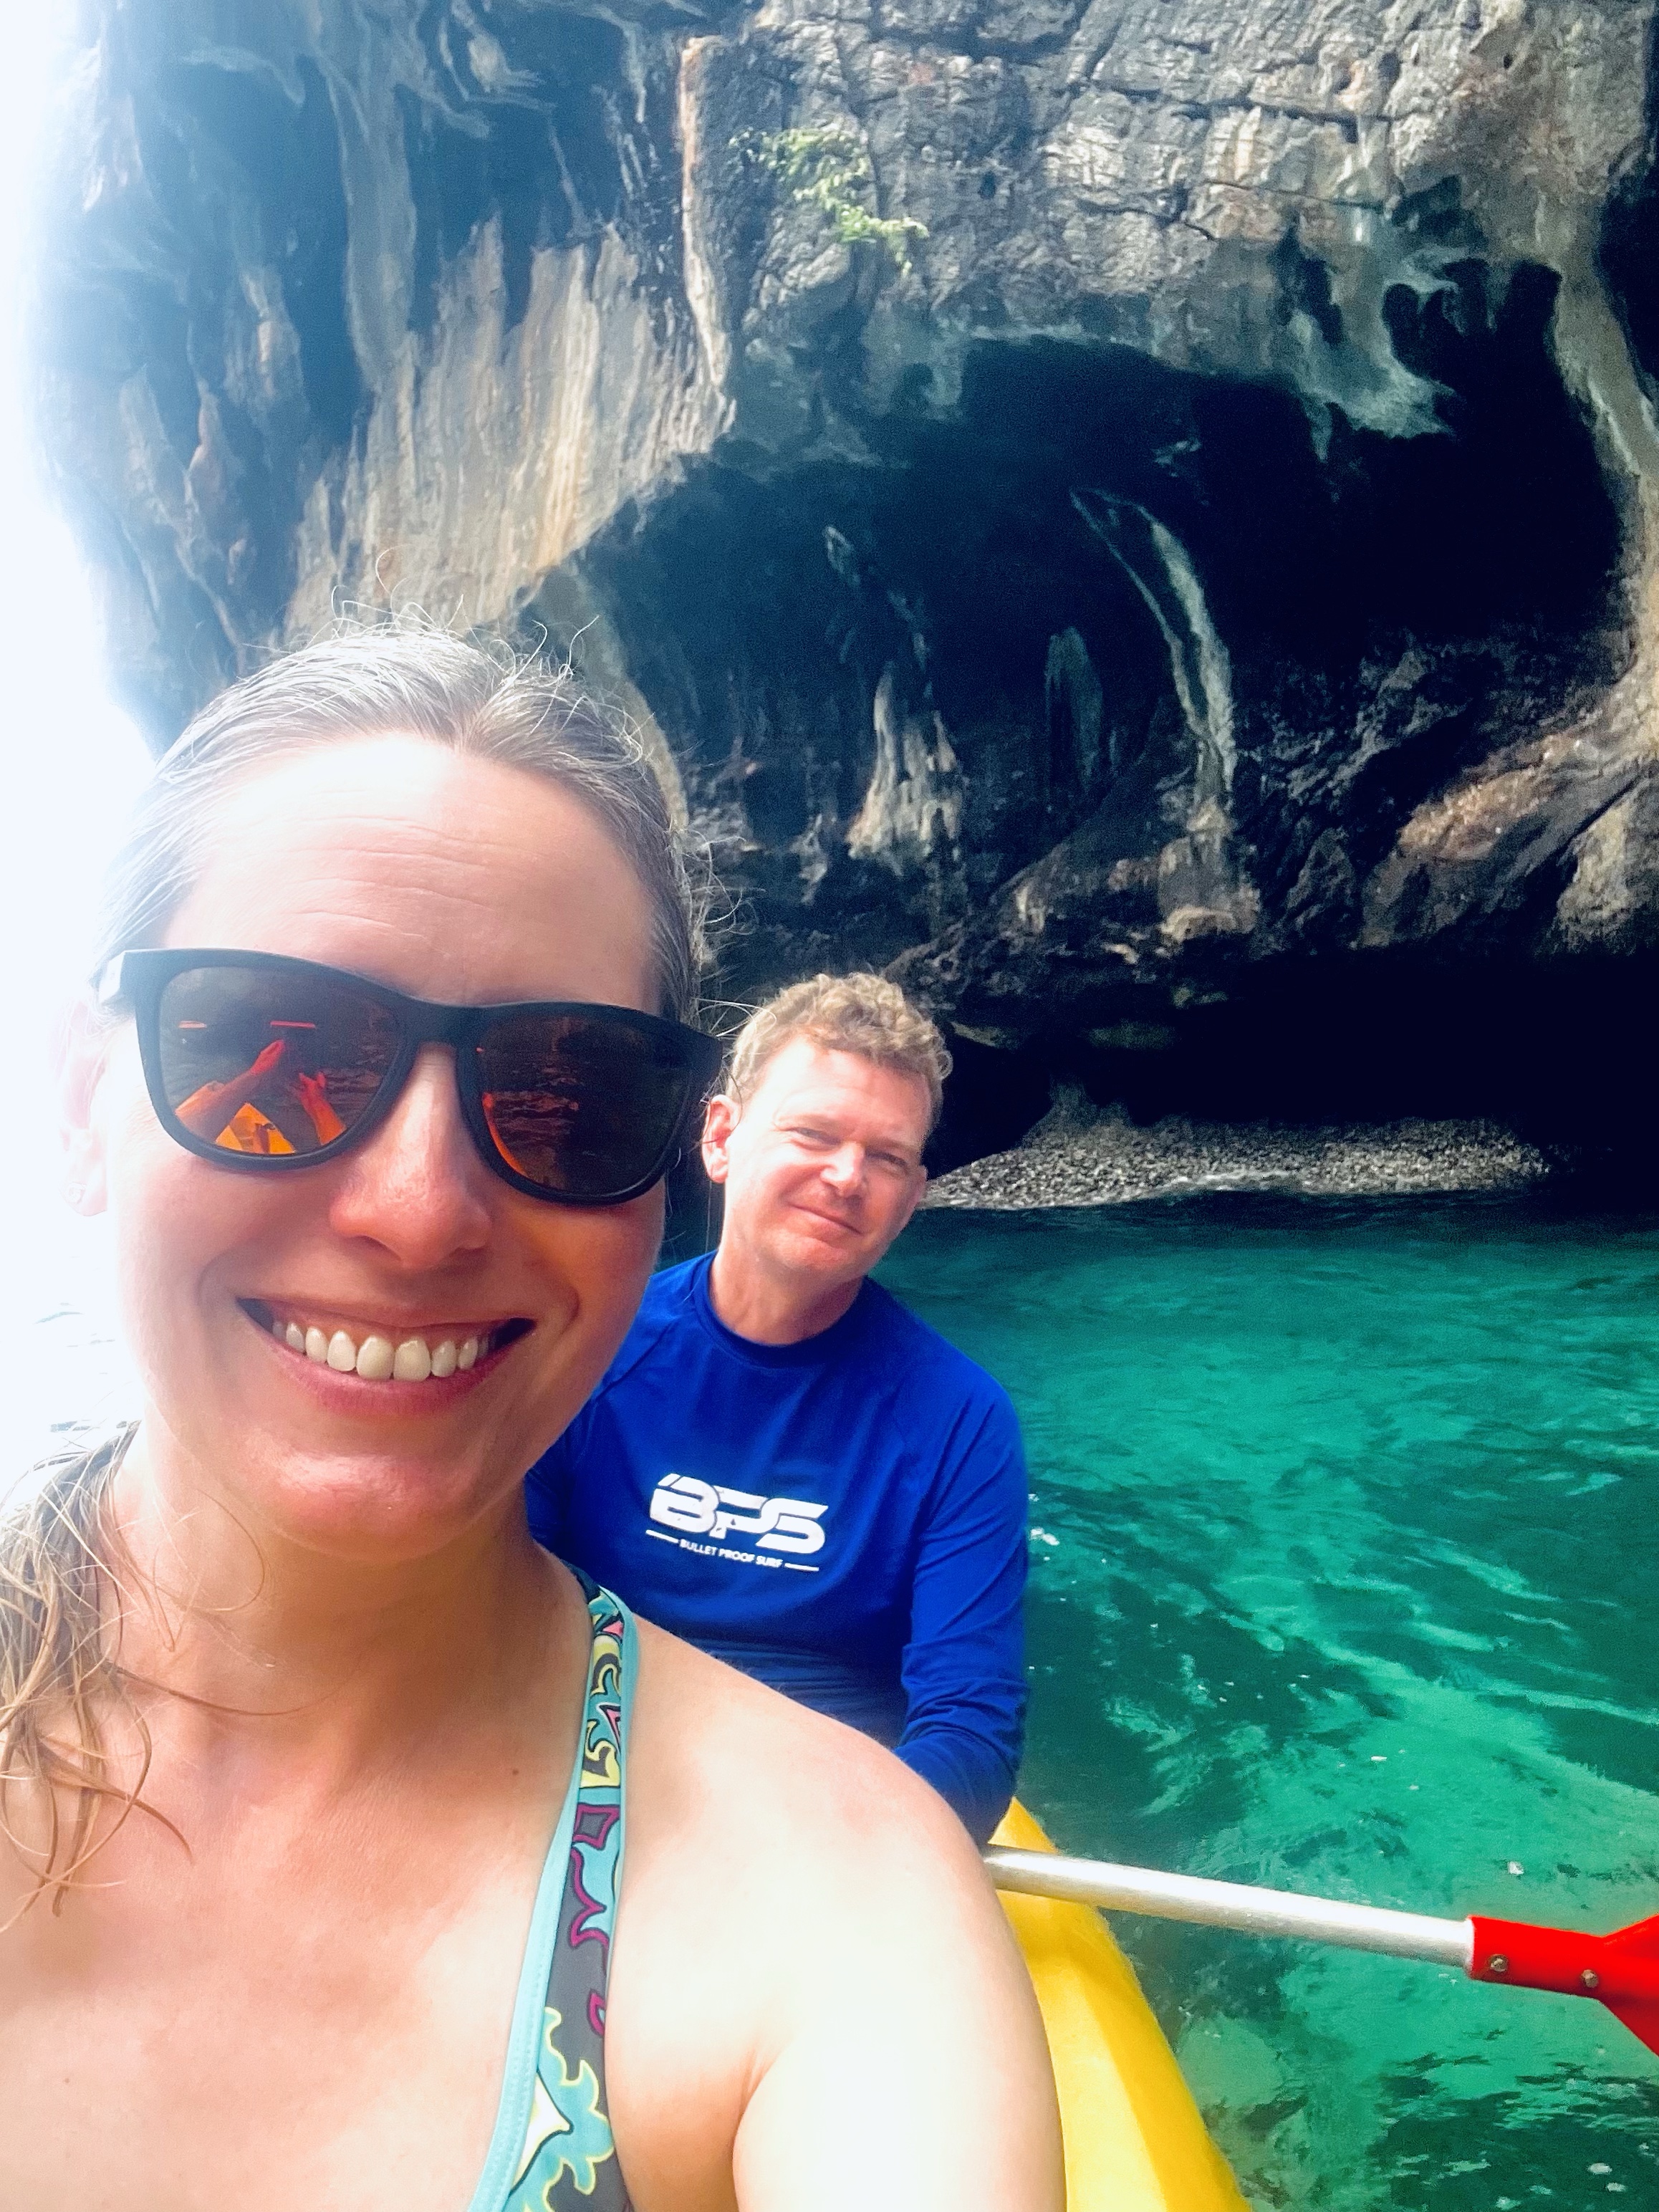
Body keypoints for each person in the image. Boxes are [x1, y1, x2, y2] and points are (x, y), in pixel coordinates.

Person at [0, 627, 1062, 2211]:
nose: (421, 1211)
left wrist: (861, 1832)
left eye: (569, 1095)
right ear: (84, 1099)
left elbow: (959, 1725)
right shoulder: (600, 1352)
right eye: (280, 1054)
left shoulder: (853, 1896)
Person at [527, 973, 1029, 1845]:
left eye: (887, 1157)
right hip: (587, 1764)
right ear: (721, 1137)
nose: (847, 1176)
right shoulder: (590, 1346)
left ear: (912, 1196)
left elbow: (970, 1731)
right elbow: (483, 1612)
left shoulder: (963, 1421)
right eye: (814, 1134)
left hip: (827, 1817)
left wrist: (796, 1858)